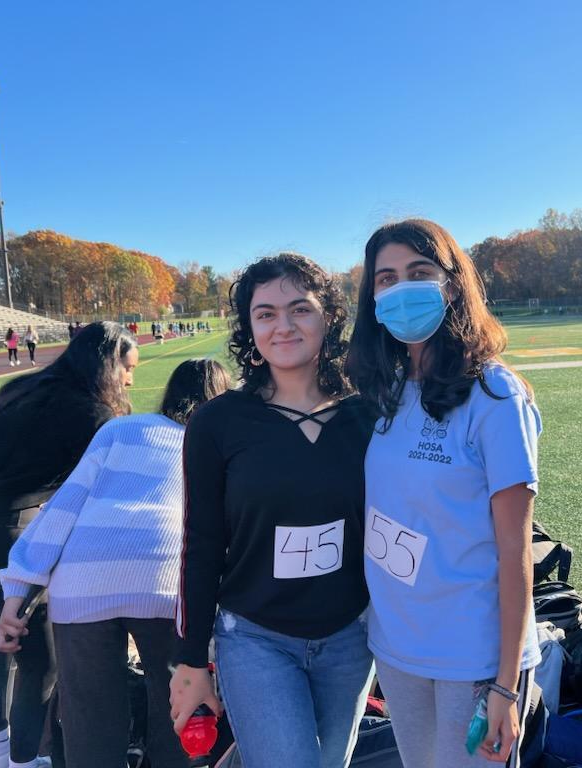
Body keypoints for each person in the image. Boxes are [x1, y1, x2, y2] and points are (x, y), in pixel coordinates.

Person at [346, 219, 542, 767]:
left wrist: (505, 684)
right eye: (386, 278)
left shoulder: (494, 395)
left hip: (473, 658)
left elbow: (516, 549)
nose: (401, 288)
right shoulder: (387, 391)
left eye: (419, 272)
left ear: (452, 285)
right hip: (397, 646)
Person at [170, 254, 375, 768]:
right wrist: (192, 660)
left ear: (328, 317)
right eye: (265, 314)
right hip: (255, 637)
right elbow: (201, 544)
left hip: (350, 638)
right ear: (249, 327)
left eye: (300, 309)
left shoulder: (369, 413)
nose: (283, 326)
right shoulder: (217, 422)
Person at [0, 358, 228, 768]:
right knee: (178, 708)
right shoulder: (215, 442)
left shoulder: (119, 430)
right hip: (165, 578)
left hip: (82, 581)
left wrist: (17, 592)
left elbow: (63, 508)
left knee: (89, 721)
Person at [0, 322, 139, 768]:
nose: (130, 380)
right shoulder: (94, 415)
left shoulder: (24, 388)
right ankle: (23, 762)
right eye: (127, 369)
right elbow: (100, 500)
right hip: (4, 537)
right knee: (41, 665)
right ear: (108, 366)